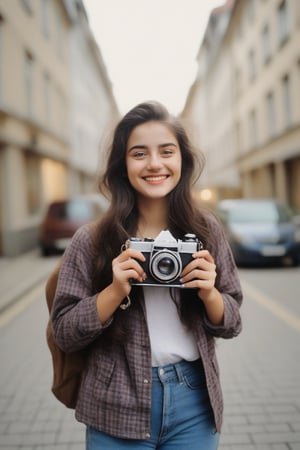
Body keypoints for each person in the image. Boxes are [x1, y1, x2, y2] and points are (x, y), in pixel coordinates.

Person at [51, 101, 243, 450]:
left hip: (193, 400)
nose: (155, 164)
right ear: (123, 165)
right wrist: (113, 291)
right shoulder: (92, 240)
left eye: (166, 152)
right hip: (114, 402)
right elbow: (64, 332)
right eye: (139, 154)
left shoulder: (206, 232)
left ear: (182, 160)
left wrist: (210, 293)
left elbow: (232, 321)